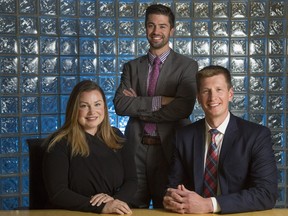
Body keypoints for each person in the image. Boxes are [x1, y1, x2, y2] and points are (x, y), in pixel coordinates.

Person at [113, 4, 198, 208]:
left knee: (169, 207)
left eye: (162, 26)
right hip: (136, 149)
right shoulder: (131, 67)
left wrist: (139, 106)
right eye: (151, 25)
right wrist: (161, 100)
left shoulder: (187, 66)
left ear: (171, 30)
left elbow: (183, 108)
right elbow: (120, 105)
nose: (156, 32)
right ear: (145, 28)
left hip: (170, 148)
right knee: (130, 208)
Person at [163, 65, 278, 214]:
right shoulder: (183, 137)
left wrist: (209, 205)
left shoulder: (257, 136)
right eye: (206, 91)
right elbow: (173, 186)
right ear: (198, 98)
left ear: (230, 94)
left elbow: (267, 194)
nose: (212, 98)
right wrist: (172, 198)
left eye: (219, 90)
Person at [42, 80, 137, 214]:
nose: (92, 112)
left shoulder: (117, 136)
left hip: (113, 212)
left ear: (104, 107)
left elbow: (132, 181)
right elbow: (58, 193)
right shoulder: (59, 143)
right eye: (84, 106)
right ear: (74, 109)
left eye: (97, 104)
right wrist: (101, 207)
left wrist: (114, 202)